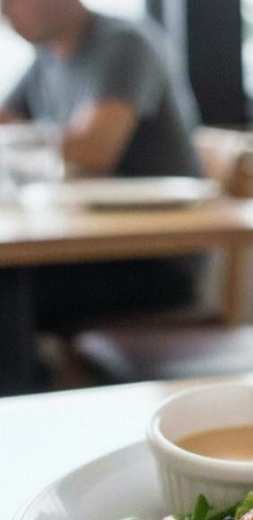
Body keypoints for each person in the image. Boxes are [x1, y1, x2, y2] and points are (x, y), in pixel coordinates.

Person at [0, 0, 205, 342]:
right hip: (81, 244)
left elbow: (96, 149)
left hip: (149, 258)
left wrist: (22, 139)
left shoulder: (125, 42)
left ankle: (28, 391)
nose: (5, 14)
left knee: (5, 287)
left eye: (11, 2)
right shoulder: (46, 57)